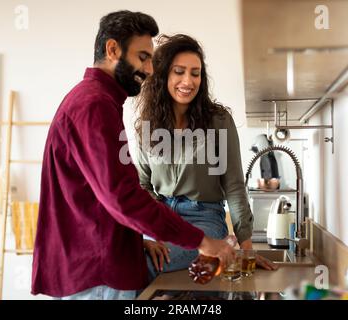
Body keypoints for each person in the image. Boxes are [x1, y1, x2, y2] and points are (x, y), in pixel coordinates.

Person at [31, 11, 235, 300]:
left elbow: (103, 195)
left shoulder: (96, 101)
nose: (151, 69)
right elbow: (123, 197)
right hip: (99, 270)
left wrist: (138, 240)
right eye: (142, 57)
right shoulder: (94, 106)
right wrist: (202, 241)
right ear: (113, 50)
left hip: (97, 264)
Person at [134, 34, 277, 281]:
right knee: (126, 259)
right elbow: (142, 185)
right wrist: (151, 227)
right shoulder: (147, 124)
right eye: (179, 72)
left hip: (204, 219)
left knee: (147, 264)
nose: (188, 81)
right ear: (163, 75)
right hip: (160, 218)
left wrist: (246, 247)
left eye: (195, 73)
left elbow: (233, 185)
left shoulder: (218, 121)